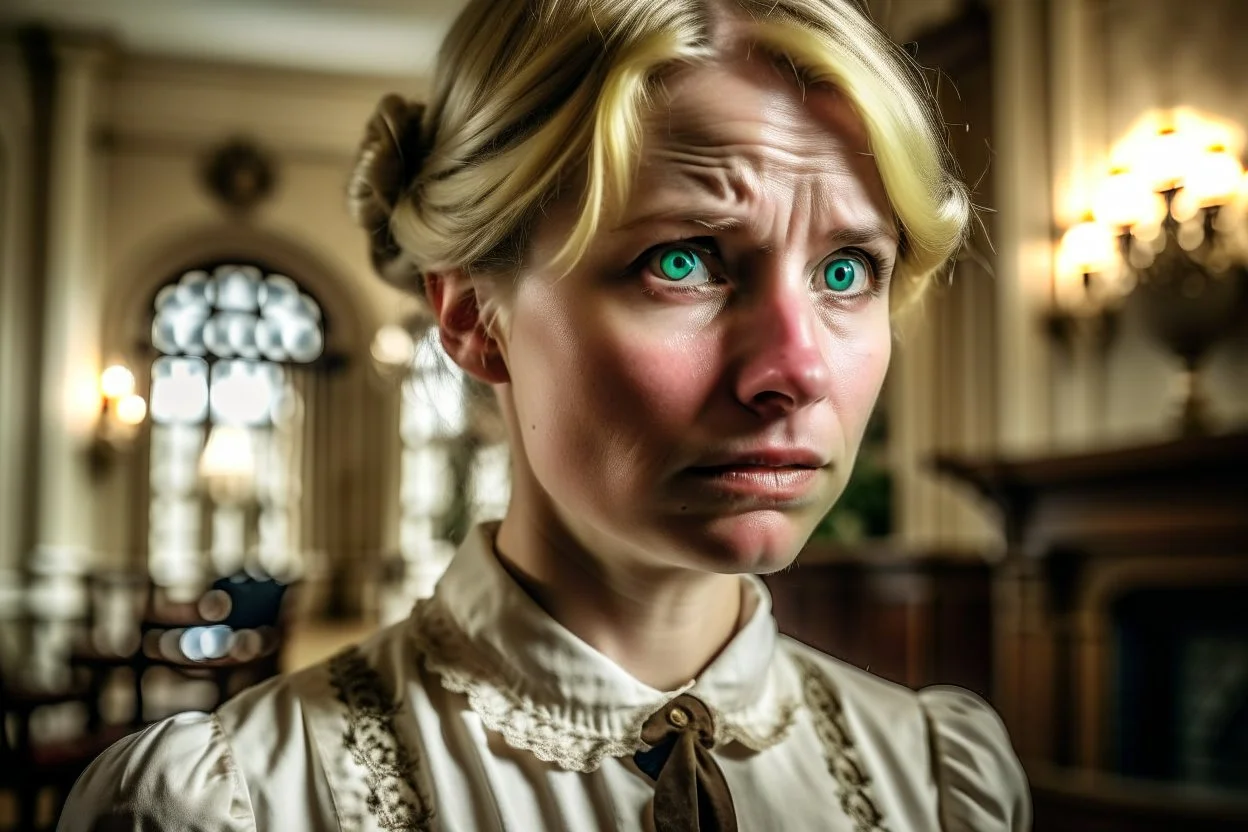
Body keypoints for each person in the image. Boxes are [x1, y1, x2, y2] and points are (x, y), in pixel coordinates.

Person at [60, 0, 1031, 829]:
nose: (796, 368)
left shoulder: (938, 781)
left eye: (848, 270)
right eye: (685, 260)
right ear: (475, 317)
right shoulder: (240, 802)